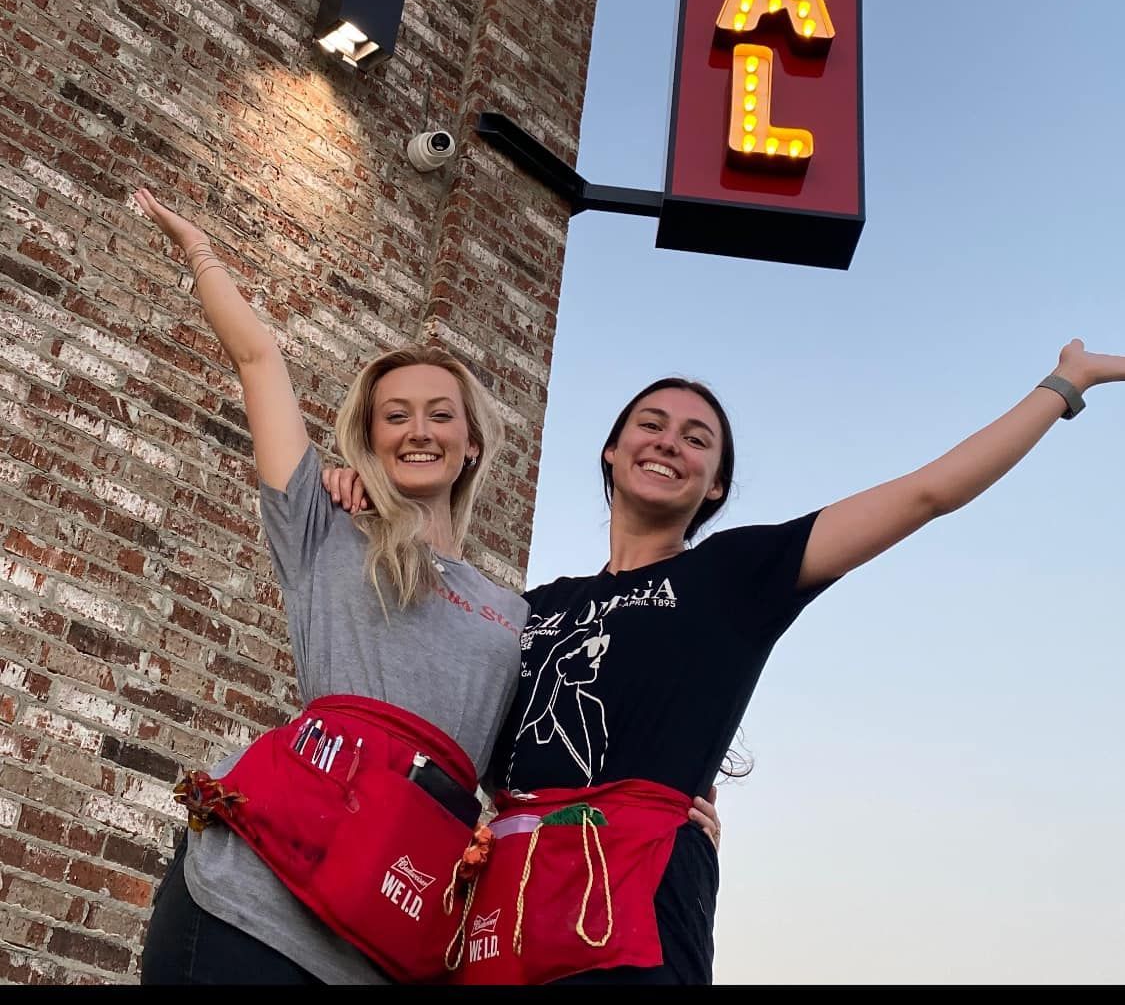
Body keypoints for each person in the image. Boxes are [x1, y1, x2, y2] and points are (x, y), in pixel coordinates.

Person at [323, 343, 1125, 986]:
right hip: (508, 898)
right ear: (610, 452)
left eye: (695, 438)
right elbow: (429, 669)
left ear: (715, 486)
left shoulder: (737, 575)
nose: (668, 441)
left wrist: (1063, 383)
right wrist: (354, 489)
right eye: (650, 424)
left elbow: (926, 494)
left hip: (633, 895)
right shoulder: (529, 607)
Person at [132, 188, 530, 986]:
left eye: (439, 415)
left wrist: (684, 827)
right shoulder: (322, 526)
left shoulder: (516, 614)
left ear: (473, 444)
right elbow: (258, 360)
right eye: (396, 416)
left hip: (387, 933)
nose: (418, 429)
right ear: (373, 439)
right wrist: (202, 253)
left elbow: (530, 784)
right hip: (249, 901)